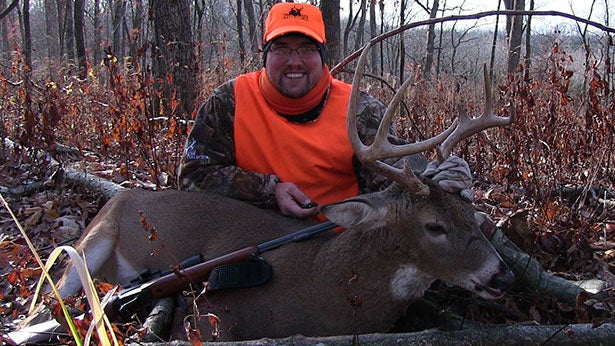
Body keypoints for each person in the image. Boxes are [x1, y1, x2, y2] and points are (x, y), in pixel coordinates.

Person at [177, 2, 471, 220]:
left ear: (322, 55)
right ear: (264, 54)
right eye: (281, 48)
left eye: (306, 48)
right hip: (251, 244)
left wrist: (440, 179)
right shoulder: (229, 101)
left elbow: (392, 185)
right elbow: (193, 177)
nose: (295, 61)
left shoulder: (359, 109)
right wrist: (268, 190)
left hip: (336, 248)